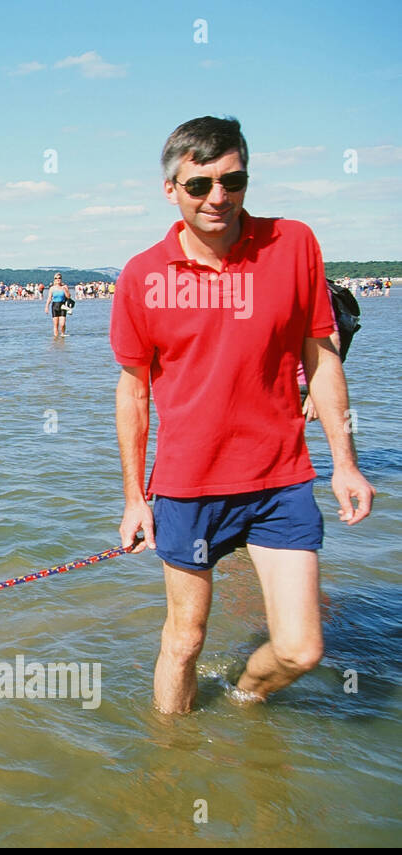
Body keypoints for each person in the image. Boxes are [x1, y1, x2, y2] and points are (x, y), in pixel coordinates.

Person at [111, 115, 374, 714]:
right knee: (185, 641)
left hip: (280, 479)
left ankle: (242, 695)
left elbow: (323, 356)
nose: (218, 198)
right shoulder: (142, 276)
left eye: (234, 181)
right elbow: (133, 393)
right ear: (170, 189)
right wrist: (134, 497)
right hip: (187, 486)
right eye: (199, 185)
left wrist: (346, 464)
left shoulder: (294, 244)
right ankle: (170, 770)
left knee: (302, 650)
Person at [46, 273, 72, 337]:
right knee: (56, 324)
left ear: (61, 279)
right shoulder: (52, 288)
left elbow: (68, 296)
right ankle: (56, 338)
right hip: (55, 306)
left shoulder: (64, 287)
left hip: (63, 306)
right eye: (56, 278)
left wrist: (65, 290)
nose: (58, 279)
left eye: (59, 278)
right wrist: (46, 307)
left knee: (62, 324)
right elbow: (49, 298)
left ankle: (62, 334)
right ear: (54, 279)